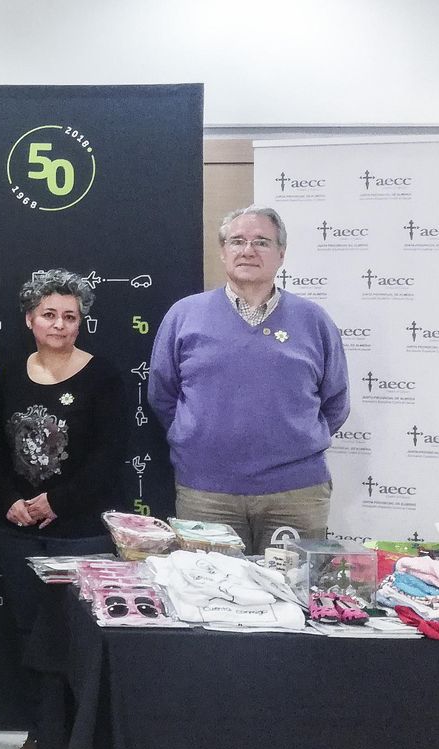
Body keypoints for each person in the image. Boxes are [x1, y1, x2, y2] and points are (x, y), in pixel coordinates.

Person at [0, 269, 130, 749]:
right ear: (30, 319)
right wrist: (10, 499)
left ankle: (80, 735)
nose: (60, 325)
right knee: (30, 634)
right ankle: (40, 731)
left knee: (78, 634)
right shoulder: (7, 369)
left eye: (70, 316)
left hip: (80, 530)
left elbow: (110, 459)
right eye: (49, 314)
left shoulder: (105, 376)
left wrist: (56, 502)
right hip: (17, 528)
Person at [149, 205, 350, 554]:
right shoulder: (184, 316)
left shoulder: (314, 321)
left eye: (262, 242)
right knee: (209, 600)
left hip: (295, 494)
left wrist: (291, 443)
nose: (248, 250)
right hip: (206, 494)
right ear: (223, 251)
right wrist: (198, 440)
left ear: (281, 254)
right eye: (237, 241)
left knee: (296, 596)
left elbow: (335, 402)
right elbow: (163, 395)